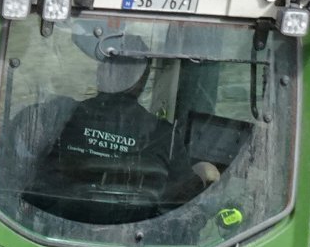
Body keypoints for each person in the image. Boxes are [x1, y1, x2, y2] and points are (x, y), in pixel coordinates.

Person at [29, 39, 215, 225]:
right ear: (143, 80)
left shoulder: (58, 115)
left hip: (54, 229)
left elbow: (21, 172)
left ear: (100, 73)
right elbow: (185, 204)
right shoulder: (165, 136)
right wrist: (204, 175)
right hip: (138, 240)